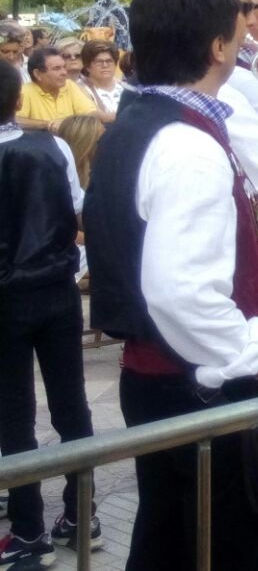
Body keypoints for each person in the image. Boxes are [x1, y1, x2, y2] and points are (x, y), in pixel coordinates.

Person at [83, 0, 258, 571]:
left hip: (162, 377)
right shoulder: (187, 142)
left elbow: (157, 246)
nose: (246, 41)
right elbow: (182, 294)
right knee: (233, 547)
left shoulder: (142, 119)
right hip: (205, 386)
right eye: (240, 28)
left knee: (174, 541)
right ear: (218, 47)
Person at [0, 62, 100, 569]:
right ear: (19, 102)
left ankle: (27, 530)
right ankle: (83, 514)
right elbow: (76, 208)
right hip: (57, 290)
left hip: (6, 301)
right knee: (71, 405)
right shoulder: (54, 147)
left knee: (14, 416)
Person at [18, 47, 107, 132]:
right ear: (37, 74)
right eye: (57, 68)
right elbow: (14, 121)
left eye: (64, 67)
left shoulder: (69, 85)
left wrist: (109, 117)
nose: (64, 72)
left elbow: (90, 112)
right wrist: (47, 124)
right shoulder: (25, 91)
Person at [81, 41, 125, 116]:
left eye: (109, 61)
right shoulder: (80, 90)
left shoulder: (125, 88)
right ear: (87, 66)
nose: (105, 65)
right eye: (99, 62)